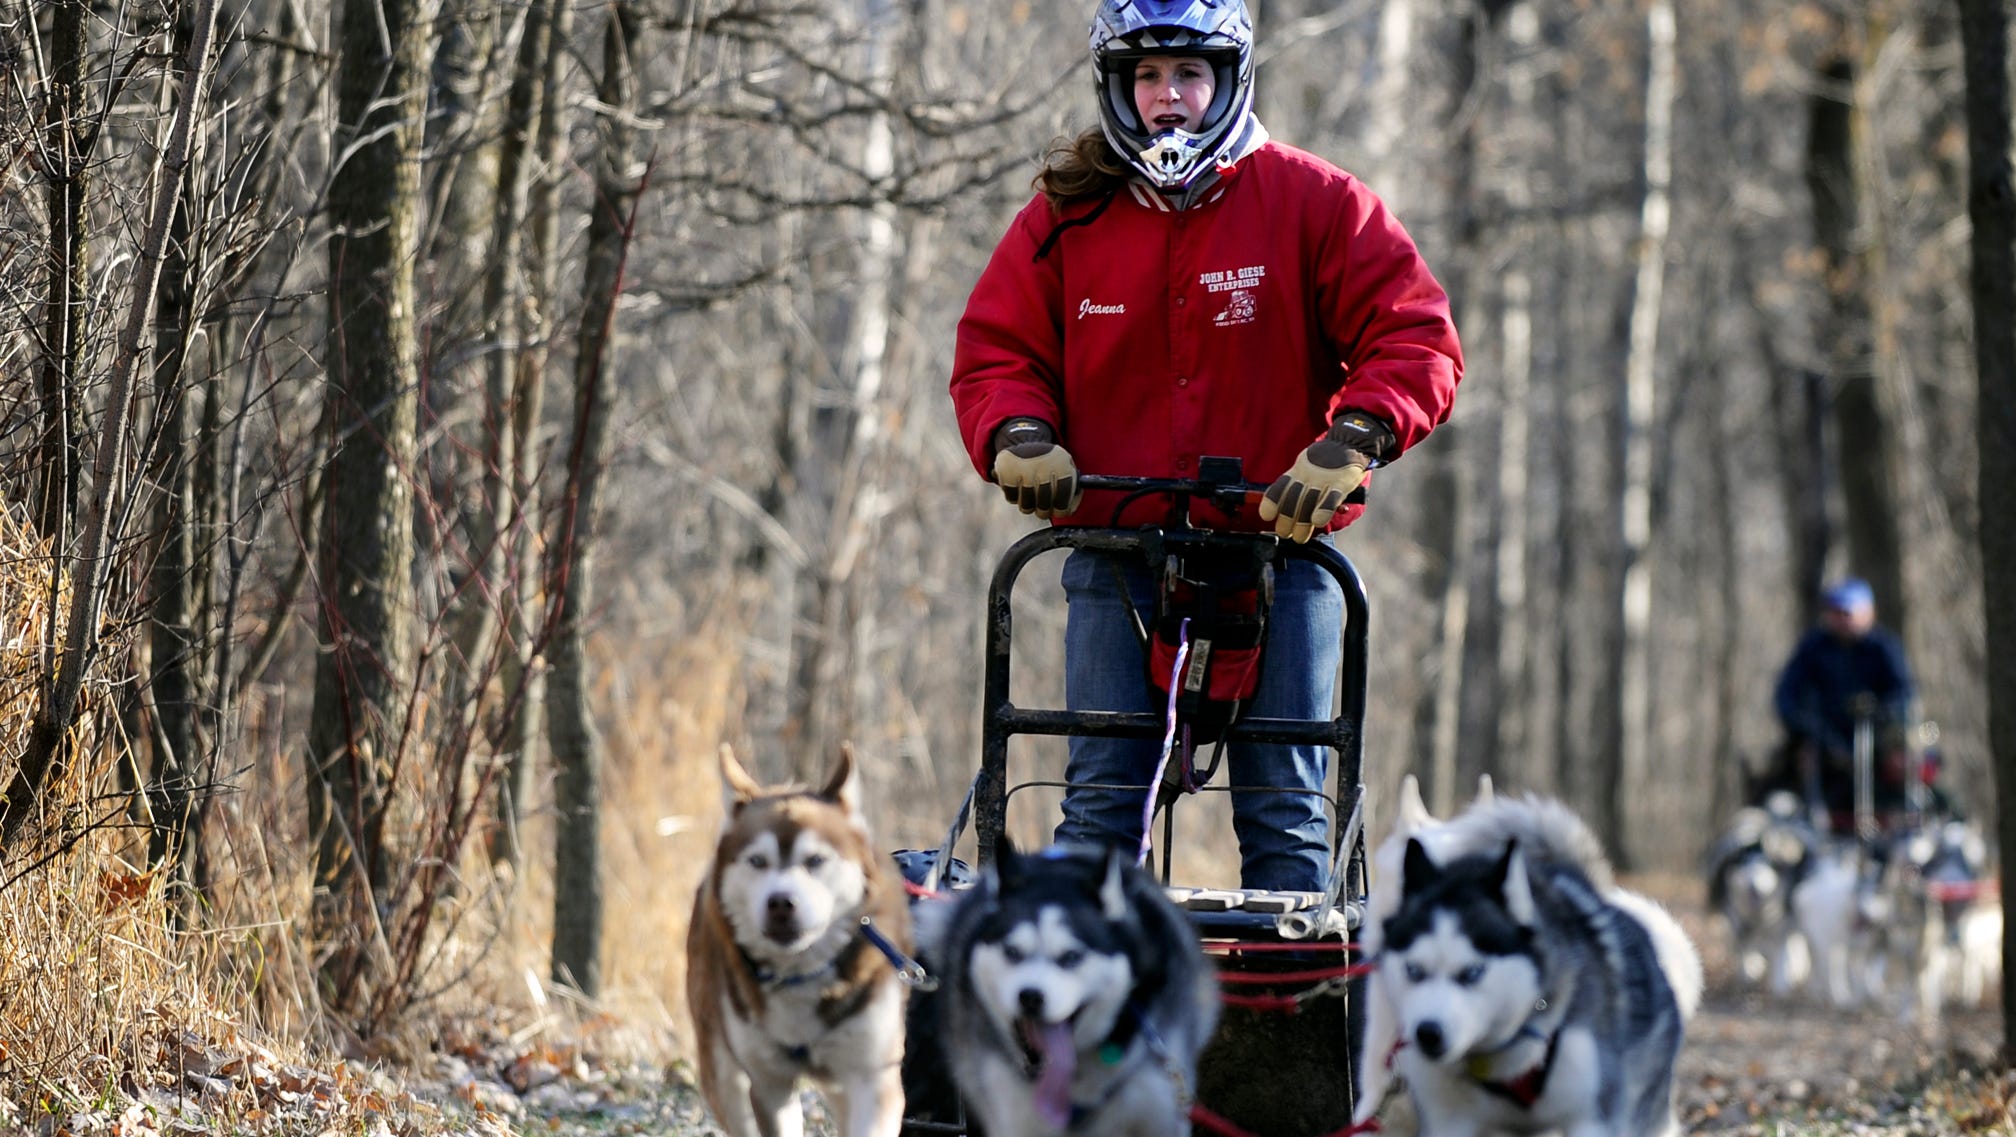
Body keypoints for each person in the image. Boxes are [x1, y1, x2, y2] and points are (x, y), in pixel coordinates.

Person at [947, 0, 1461, 893]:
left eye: (1189, 73)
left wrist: (1356, 433)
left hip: (1283, 552)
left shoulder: (1315, 201)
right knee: (1101, 807)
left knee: (1287, 811)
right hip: (1113, 553)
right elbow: (998, 351)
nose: (1169, 98)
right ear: (1118, 86)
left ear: (1229, 77)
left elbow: (1415, 335)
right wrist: (1018, 434)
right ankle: (1089, 1015)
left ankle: (1286, 1024)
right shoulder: (1066, 219)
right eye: (1147, 77)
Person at [1770, 578, 1922, 830]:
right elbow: (1786, 695)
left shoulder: (1883, 648)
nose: (1841, 619)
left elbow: (1904, 692)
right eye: (1835, 612)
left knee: (1909, 756)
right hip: (1824, 740)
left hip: (1875, 739)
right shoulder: (1814, 647)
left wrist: (1881, 714)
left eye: (1847, 613)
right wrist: (1804, 725)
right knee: (1796, 763)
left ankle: (1905, 819)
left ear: (1867, 613)